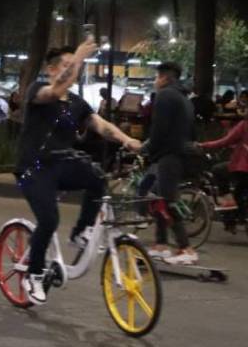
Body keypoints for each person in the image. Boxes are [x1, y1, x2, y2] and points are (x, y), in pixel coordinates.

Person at [15, 41, 142, 304]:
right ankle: (34, 274)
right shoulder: (38, 91)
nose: (73, 70)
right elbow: (57, 89)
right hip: (34, 168)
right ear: (51, 70)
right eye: (66, 65)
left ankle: (80, 231)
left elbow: (100, 125)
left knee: (98, 179)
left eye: (73, 65)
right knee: (49, 220)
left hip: (61, 163)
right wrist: (80, 57)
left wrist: (127, 140)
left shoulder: (75, 102)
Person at [138, 62, 197, 265]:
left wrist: (146, 149)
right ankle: (161, 244)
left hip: (168, 155)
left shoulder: (164, 95)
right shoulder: (185, 99)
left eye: (156, 77)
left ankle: (185, 248)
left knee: (167, 200)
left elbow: (159, 129)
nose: (155, 81)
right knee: (156, 196)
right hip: (181, 154)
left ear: (163, 78)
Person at [198, 119, 248, 226]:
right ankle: (235, 216)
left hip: (244, 167)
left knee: (218, 170)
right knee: (239, 191)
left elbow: (226, 141)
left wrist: (204, 145)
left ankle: (231, 209)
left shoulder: (244, 124)